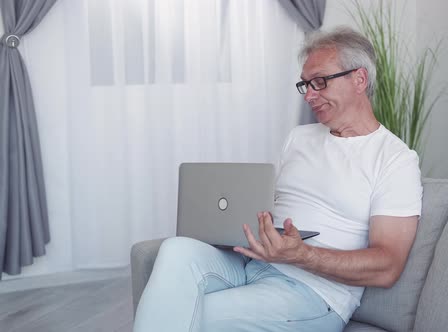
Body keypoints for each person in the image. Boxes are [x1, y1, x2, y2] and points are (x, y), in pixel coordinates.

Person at [133, 26, 422, 332]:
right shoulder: (298, 138)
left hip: (314, 294)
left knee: (186, 315)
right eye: (305, 85)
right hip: (253, 264)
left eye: (320, 82)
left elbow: (387, 266)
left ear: (359, 79)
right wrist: (235, 228)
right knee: (176, 249)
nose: (309, 95)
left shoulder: (395, 159)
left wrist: (301, 255)